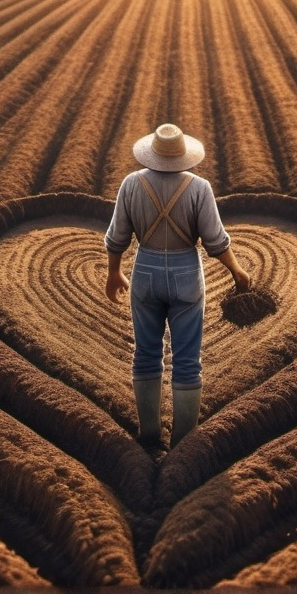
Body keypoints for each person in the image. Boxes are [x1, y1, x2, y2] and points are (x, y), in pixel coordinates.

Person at [104, 123, 251, 448]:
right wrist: (237, 272)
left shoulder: (131, 184)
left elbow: (116, 239)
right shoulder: (199, 188)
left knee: (145, 354)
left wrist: (114, 273)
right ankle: (184, 441)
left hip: (145, 272)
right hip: (186, 273)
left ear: (152, 154)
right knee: (187, 359)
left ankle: (150, 435)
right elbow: (216, 242)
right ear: (184, 156)